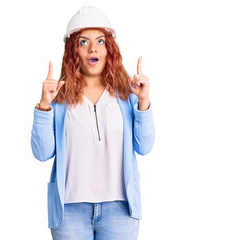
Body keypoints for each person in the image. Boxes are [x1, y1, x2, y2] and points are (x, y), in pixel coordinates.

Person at [31, 6, 155, 240]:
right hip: (70, 212)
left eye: (100, 41)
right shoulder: (59, 99)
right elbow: (42, 153)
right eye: (83, 42)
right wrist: (44, 105)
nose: (93, 48)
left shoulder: (126, 96)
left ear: (109, 49)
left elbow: (145, 147)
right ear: (73, 51)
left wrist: (143, 102)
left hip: (120, 210)